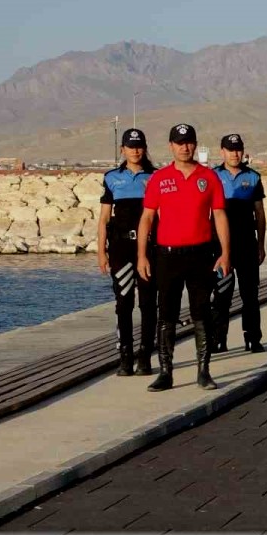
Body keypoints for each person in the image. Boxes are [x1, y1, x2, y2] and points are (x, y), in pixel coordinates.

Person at [136, 124, 231, 392]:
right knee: (166, 314)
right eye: (179, 142)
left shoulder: (209, 178)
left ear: (195, 144)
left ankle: (204, 370)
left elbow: (220, 216)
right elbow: (147, 218)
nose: (185, 147)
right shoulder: (159, 178)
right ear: (171, 146)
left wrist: (225, 253)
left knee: (202, 313)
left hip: (201, 254)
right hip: (167, 256)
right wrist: (142, 255)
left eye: (189, 142)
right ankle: (166, 373)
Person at [96, 128, 158, 377]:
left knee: (148, 304)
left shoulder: (155, 177)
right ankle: (125, 356)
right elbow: (103, 220)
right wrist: (101, 252)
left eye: (139, 145)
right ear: (122, 149)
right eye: (130, 146)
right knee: (123, 304)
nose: (135, 150)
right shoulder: (112, 178)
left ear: (144, 148)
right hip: (121, 248)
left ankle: (145, 356)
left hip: (149, 248)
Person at [211, 134, 267, 354]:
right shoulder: (213, 176)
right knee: (222, 294)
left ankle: (253, 339)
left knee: (250, 295)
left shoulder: (252, 177)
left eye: (238, 149)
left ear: (243, 152)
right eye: (230, 149)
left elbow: (260, 213)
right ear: (222, 152)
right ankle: (218, 339)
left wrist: (261, 245)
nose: (235, 154)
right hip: (219, 246)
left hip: (246, 244)